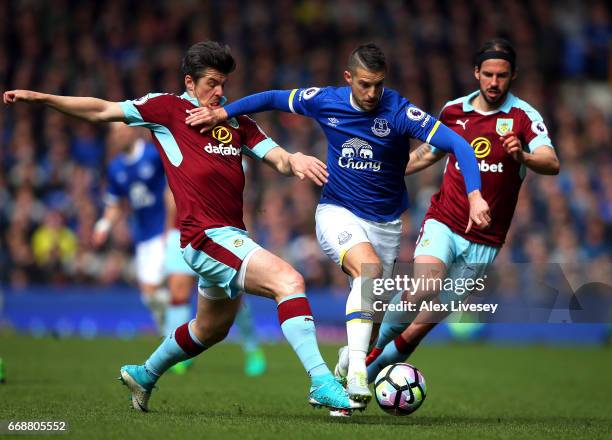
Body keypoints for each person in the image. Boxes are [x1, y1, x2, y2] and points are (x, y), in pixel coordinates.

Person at [3, 40, 353, 413]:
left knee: (209, 329)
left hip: (231, 235)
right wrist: (41, 98)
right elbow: (104, 110)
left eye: (223, 84)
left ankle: (144, 373)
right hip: (204, 236)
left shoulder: (237, 122)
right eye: (211, 83)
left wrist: (295, 158)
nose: (219, 92)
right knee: (290, 281)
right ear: (190, 82)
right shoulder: (167, 109)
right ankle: (320, 380)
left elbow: (279, 159)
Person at [185, 42, 491, 406]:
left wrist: (475, 195)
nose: (372, 93)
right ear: (348, 79)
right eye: (364, 84)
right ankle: (359, 372)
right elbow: (271, 98)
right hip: (337, 212)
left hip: (387, 225)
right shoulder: (326, 100)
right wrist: (224, 114)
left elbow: (460, 145)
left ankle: (347, 364)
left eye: (378, 84)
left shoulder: (399, 111)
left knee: (371, 323)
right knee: (369, 270)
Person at [344, 38, 560, 384]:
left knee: (419, 329)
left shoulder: (523, 117)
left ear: (512, 76)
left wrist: (523, 157)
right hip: (444, 220)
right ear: (476, 73)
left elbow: (551, 162)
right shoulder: (454, 111)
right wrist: (382, 170)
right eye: (488, 74)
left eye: (502, 76)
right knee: (423, 286)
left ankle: (363, 377)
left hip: (486, 241)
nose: (494, 82)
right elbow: (427, 154)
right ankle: (358, 353)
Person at [164, 188, 267, 377]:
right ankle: (177, 354)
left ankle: (252, 349)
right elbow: (171, 191)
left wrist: (247, 236)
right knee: (178, 295)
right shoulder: (180, 156)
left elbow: (242, 199)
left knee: (232, 295)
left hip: (220, 235)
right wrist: (167, 231)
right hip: (182, 231)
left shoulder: (236, 159)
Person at [92, 123, 169, 334]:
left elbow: (173, 187)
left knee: (156, 289)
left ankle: (176, 334)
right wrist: (104, 225)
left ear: (133, 130)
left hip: (164, 230)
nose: (119, 135)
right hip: (143, 235)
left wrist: (170, 228)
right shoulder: (115, 167)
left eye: (122, 130)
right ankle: (173, 332)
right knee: (148, 295)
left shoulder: (154, 155)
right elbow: (115, 204)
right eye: (114, 132)